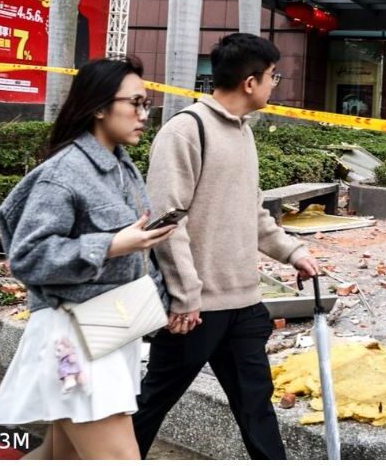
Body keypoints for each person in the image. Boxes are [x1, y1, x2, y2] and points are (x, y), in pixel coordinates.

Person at [133, 33, 319, 459]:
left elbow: (251, 212)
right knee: (152, 404)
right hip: (195, 311)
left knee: (257, 407)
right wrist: (185, 296)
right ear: (250, 82)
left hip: (243, 305)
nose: (278, 84)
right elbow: (167, 221)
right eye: (274, 76)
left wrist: (293, 252)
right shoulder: (185, 130)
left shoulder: (244, 134)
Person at [0, 57, 175, 459]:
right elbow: (28, 257)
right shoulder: (65, 172)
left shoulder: (122, 168)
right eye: (136, 103)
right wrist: (111, 245)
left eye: (147, 105)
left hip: (109, 331)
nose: (144, 115)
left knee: (59, 457)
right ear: (99, 107)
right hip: (72, 341)